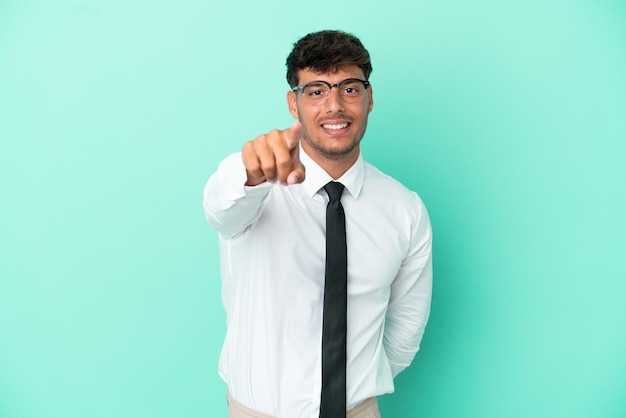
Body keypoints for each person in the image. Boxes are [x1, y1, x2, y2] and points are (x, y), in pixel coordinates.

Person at [204, 30, 432, 418]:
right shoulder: (253, 184)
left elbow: (405, 329)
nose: (334, 105)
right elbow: (221, 209)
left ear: (369, 98)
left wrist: (354, 392)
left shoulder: (404, 210)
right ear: (293, 103)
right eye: (316, 91)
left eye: (349, 88)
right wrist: (250, 172)